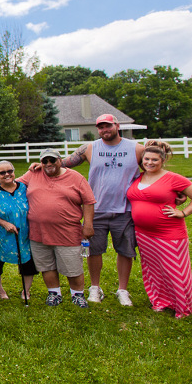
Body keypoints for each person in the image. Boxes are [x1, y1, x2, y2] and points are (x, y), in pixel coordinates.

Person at [58, 114, 144, 306]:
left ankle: (123, 290)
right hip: (95, 210)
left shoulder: (136, 149)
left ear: (117, 126)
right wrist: (42, 165)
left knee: (125, 251)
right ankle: (95, 288)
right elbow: (63, 163)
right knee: (94, 251)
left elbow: (154, 168)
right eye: (101, 127)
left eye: (108, 126)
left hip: (125, 209)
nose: (105, 130)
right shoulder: (90, 148)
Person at [126, 140, 192, 318]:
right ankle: (160, 301)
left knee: (175, 270)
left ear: (162, 161)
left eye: (154, 160)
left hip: (169, 233)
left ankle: (183, 307)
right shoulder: (139, 177)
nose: (150, 162)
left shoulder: (173, 178)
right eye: (147, 159)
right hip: (143, 233)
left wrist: (183, 212)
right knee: (154, 269)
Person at [18, 149, 95, 308]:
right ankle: (54, 293)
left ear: (60, 160)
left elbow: (88, 201)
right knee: (46, 265)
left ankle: (77, 295)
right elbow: (12, 185)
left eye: (52, 160)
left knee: (72, 266)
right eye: (44, 161)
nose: (49, 164)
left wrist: (88, 225)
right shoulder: (33, 174)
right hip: (38, 233)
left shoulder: (76, 178)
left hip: (67, 232)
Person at [0, 161, 37, 301]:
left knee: (28, 264)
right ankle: (0, 290)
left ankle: (26, 291)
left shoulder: (23, 188)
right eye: (2, 173)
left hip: (23, 234)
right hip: (0, 235)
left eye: (10, 171)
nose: (7, 174)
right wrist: (4, 223)